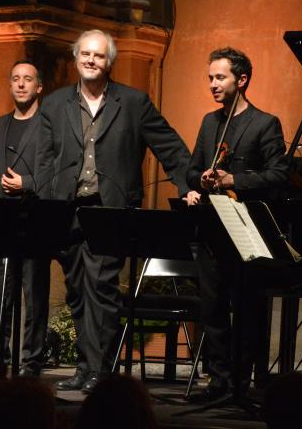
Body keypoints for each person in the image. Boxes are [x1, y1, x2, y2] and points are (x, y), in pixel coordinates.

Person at [36, 29, 191, 393]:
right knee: (76, 291)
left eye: (99, 56)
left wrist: (189, 185)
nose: (91, 60)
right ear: (76, 59)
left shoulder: (133, 102)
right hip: (68, 211)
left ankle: (100, 370)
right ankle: (86, 365)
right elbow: (43, 160)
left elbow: (170, 146)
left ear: (110, 63)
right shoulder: (56, 104)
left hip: (111, 210)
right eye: (85, 54)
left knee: (102, 289)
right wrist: (47, 199)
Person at [183, 47, 290, 399]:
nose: (213, 84)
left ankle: (241, 382)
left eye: (220, 77)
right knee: (212, 307)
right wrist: (200, 181)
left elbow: (278, 174)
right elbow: (192, 168)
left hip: (246, 230)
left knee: (245, 306)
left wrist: (233, 181)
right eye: (210, 78)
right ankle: (218, 381)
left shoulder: (264, 123)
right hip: (212, 227)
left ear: (241, 80)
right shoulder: (209, 122)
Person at [0, 59, 49, 378]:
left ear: (39, 87)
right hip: (0, 219)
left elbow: (56, 174)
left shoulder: (49, 127)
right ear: (10, 85)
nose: (21, 84)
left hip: (34, 217)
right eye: (16, 79)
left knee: (34, 292)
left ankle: (32, 360)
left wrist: (28, 184)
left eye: (28, 79)